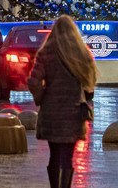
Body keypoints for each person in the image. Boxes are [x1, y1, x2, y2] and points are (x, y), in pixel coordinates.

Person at [27, 15, 97, 188]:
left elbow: (33, 81)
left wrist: (41, 98)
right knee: (67, 157)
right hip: (73, 113)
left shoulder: (46, 53)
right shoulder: (81, 53)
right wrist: (85, 95)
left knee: (55, 155)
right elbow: (91, 80)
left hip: (52, 113)